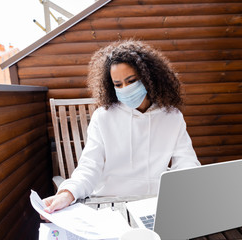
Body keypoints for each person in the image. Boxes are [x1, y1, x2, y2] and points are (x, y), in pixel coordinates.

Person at [42, 40, 200, 214]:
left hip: (154, 205)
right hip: (108, 205)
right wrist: (67, 193)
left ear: (149, 79)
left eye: (131, 81)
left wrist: (192, 188)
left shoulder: (172, 117)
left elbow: (186, 162)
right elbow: (89, 166)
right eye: (118, 84)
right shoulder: (103, 117)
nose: (125, 89)